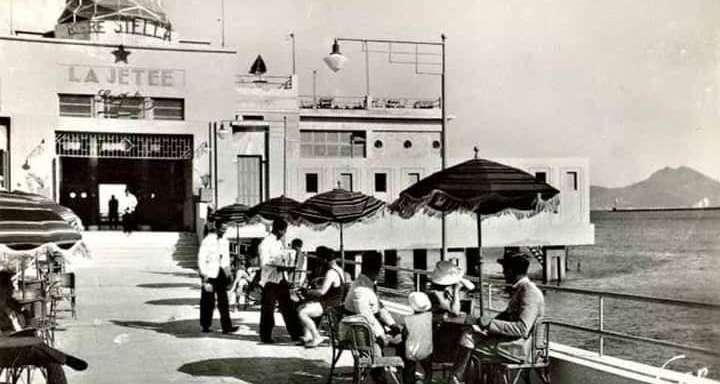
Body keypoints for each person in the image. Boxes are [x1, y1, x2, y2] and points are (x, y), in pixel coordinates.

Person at [449, 249, 545, 384]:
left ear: (511, 270)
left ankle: (457, 380)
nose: (504, 273)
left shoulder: (529, 292)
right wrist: (482, 323)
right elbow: (507, 317)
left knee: (469, 345)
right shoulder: (522, 290)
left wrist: (489, 324)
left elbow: (522, 328)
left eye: (505, 269)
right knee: (468, 335)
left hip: (521, 348)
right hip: (515, 342)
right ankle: (457, 379)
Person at [0, 270, 87, 384]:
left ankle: (62, 359)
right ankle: (65, 358)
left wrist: (33, 324)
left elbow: (28, 318)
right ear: (1, 289)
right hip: (7, 353)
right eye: (9, 286)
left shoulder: (14, 304)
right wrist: (25, 339)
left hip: (25, 348)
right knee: (40, 347)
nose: (13, 289)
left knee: (52, 361)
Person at [344, 251, 402, 383]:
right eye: (380, 266)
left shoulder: (368, 284)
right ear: (377, 268)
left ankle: (398, 375)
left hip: (364, 329)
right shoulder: (361, 289)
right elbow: (366, 317)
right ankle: (382, 377)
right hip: (358, 332)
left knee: (402, 336)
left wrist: (393, 325)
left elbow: (379, 308)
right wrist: (382, 335)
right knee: (379, 353)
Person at [258, 219, 302, 343]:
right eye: (284, 231)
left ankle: (296, 334)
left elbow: (282, 259)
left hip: (280, 278)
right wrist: (279, 266)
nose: (284, 233)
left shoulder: (279, 243)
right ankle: (265, 336)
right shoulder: (265, 243)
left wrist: (286, 270)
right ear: (280, 230)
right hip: (269, 280)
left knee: (288, 307)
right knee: (268, 309)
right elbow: (264, 262)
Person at [296, 246, 347, 348]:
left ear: (325, 260)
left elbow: (322, 292)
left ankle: (316, 337)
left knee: (302, 312)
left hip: (330, 305)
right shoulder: (339, 270)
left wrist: (307, 292)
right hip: (335, 301)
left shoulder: (331, 272)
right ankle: (307, 336)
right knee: (301, 307)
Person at [197, 221, 238, 334]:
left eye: (226, 229)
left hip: (221, 273)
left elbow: (226, 258)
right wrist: (204, 274)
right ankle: (205, 325)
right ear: (217, 227)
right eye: (222, 229)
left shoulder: (225, 241)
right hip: (209, 273)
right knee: (208, 301)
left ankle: (227, 327)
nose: (224, 231)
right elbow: (201, 258)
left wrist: (229, 273)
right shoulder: (208, 240)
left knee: (224, 301)